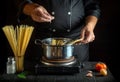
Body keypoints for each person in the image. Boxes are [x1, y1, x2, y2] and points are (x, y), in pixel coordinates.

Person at [14, 0, 101, 62]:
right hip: (44, 46)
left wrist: (90, 26)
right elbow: (21, 2)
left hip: (76, 44)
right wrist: (32, 8)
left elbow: (92, 6)